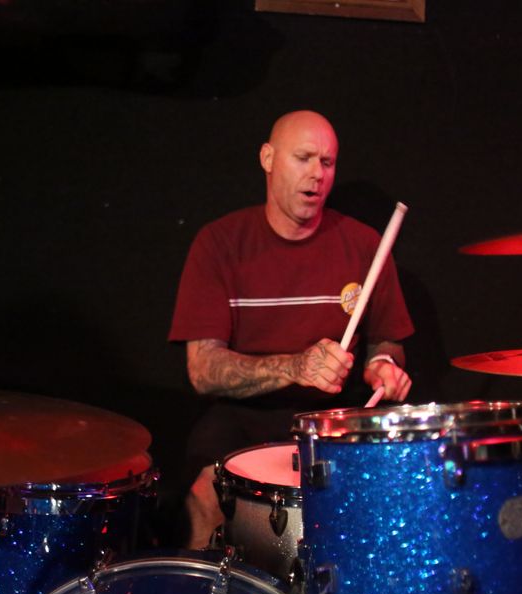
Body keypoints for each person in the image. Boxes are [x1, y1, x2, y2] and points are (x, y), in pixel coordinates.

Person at [169, 110, 414, 548]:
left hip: (331, 417)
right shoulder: (220, 243)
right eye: (303, 158)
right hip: (243, 415)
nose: (317, 174)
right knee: (205, 495)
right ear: (267, 158)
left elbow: (386, 341)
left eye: (327, 162)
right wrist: (296, 367)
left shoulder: (363, 244)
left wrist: (383, 365)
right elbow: (203, 370)